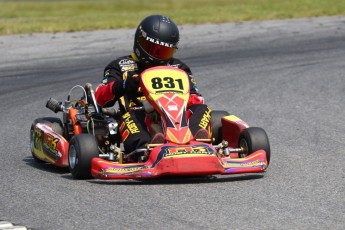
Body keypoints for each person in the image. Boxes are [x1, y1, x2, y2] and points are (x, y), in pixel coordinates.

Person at [95, 14, 212, 154]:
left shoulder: (179, 67)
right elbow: (100, 98)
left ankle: (196, 142)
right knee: (130, 117)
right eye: (154, 50)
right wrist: (123, 85)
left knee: (202, 109)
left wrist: (185, 101)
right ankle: (147, 149)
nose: (158, 56)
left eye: (164, 51)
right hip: (137, 114)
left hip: (175, 116)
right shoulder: (120, 66)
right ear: (140, 41)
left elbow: (194, 97)